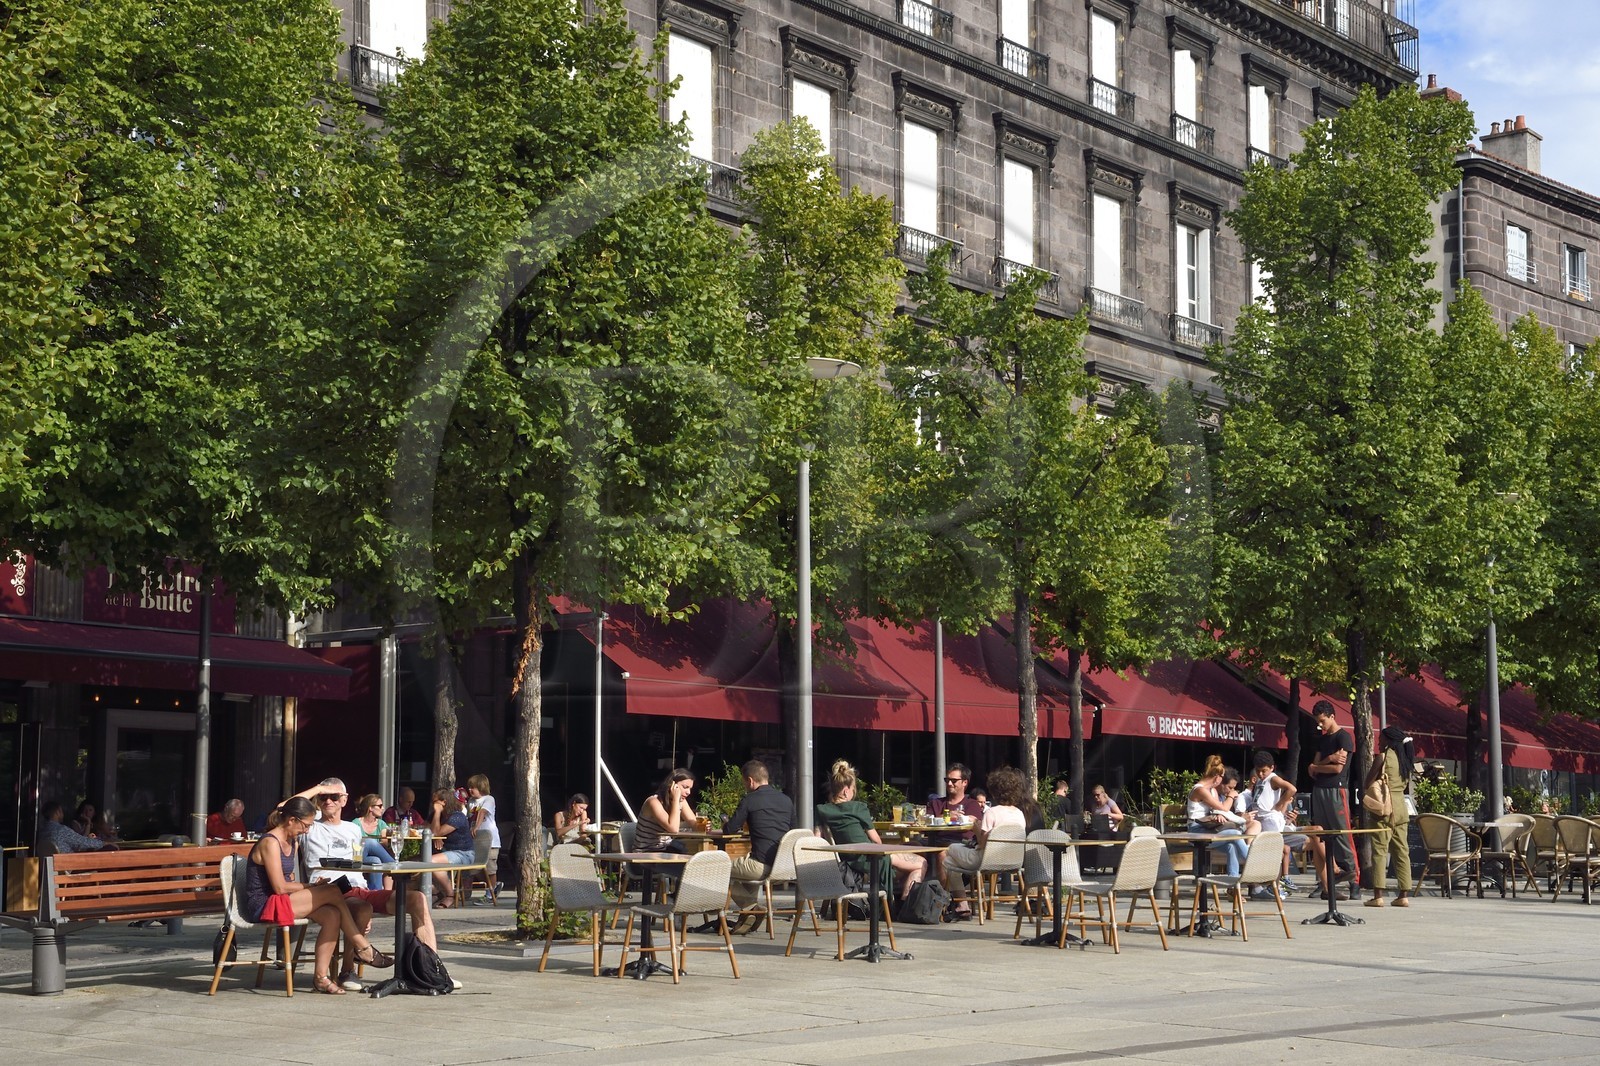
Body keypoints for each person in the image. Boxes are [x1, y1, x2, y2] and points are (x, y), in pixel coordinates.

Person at [246, 796, 392, 995]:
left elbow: (288, 880)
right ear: (291, 820)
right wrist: (310, 886)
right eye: (305, 826)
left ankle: (321, 978)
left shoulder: (292, 841)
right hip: (265, 904)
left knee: (333, 914)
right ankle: (362, 945)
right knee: (333, 890)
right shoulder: (270, 842)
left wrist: (312, 886)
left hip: (283, 899)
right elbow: (280, 887)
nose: (306, 830)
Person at [815, 763, 927, 902]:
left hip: (846, 860)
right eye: (853, 789)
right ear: (845, 791)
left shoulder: (821, 810)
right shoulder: (858, 808)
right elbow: (876, 841)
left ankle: (894, 902)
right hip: (868, 858)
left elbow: (817, 838)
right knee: (921, 863)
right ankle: (905, 906)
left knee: (910, 853)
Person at [943, 766, 1028, 919]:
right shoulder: (1019, 814)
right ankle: (963, 905)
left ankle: (961, 904)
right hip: (1013, 860)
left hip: (985, 860)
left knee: (949, 853)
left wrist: (976, 827)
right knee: (951, 861)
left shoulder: (991, 812)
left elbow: (982, 844)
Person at [720, 759, 795, 930]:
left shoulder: (750, 800)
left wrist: (725, 823)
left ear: (750, 781)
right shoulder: (786, 800)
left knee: (718, 868)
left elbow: (730, 829)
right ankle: (746, 920)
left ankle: (752, 909)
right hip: (784, 866)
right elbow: (794, 831)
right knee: (744, 872)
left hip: (760, 866)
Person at [1246, 751, 1325, 898]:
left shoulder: (1272, 778)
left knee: (1282, 848)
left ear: (1272, 768)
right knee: (1278, 851)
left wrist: (1281, 803)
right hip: (1266, 823)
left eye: (1264, 770)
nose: (1261, 774)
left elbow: (1292, 789)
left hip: (1273, 823)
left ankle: (1334, 871)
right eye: (1258, 771)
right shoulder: (1259, 782)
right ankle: (1274, 885)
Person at [1309, 700, 1357, 897]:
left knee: (1342, 833)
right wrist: (1327, 760)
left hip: (1337, 790)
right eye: (1318, 722)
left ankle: (1354, 880)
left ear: (1332, 717)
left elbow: (1338, 769)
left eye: (1323, 721)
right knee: (1320, 835)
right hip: (1319, 789)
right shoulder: (1322, 739)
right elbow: (1314, 766)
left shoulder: (1344, 738)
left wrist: (1317, 766)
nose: (1321, 725)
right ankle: (1325, 881)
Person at [1366, 725, 1415, 909]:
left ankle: (1378, 895)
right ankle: (1403, 895)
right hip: (1401, 806)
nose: (1379, 742)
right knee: (1402, 850)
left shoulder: (1383, 757)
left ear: (1389, 740)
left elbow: (1367, 782)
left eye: (1381, 739)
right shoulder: (1406, 760)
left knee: (1379, 850)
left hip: (1383, 807)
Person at [1186, 755, 1251, 877]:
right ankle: (1257, 866)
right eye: (1222, 777)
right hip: (1196, 831)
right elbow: (1224, 808)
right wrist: (1231, 796)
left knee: (1231, 846)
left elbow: (1218, 810)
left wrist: (1218, 816)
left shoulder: (1212, 791)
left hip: (1208, 828)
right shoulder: (1200, 790)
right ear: (1217, 777)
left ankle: (1233, 887)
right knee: (1235, 834)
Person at [426, 788, 475, 905]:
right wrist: (437, 837)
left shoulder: (457, 817)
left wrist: (437, 813)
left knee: (431, 861)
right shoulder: (436, 815)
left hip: (463, 853)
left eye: (435, 802)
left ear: (444, 802)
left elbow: (437, 832)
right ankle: (435, 893)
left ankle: (450, 895)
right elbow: (426, 829)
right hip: (446, 852)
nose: (433, 805)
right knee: (417, 861)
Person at [636, 768, 697, 853]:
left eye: (690, 788)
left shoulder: (681, 801)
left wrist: (704, 825)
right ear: (672, 785)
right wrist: (676, 799)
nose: (688, 792)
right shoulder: (653, 802)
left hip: (666, 851)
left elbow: (695, 824)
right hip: (646, 854)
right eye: (685, 787)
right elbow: (673, 829)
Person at [464, 773, 501, 905]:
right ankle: (494, 885)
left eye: (472, 787)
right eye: (469, 787)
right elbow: (468, 816)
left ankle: (490, 895)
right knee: (477, 867)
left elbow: (482, 812)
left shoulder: (489, 799)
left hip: (490, 840)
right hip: (476, 840)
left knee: (490, 867)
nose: (470, 790)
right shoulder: (471, 802)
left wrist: (476, 827)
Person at [36, 801, 114, 855]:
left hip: (51, 868)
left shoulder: (42, 831)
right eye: (62, 811)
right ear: (57, 812)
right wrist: (104, 843)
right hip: (68, 867)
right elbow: (83, 842)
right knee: (110, 849)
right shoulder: (61, 830)